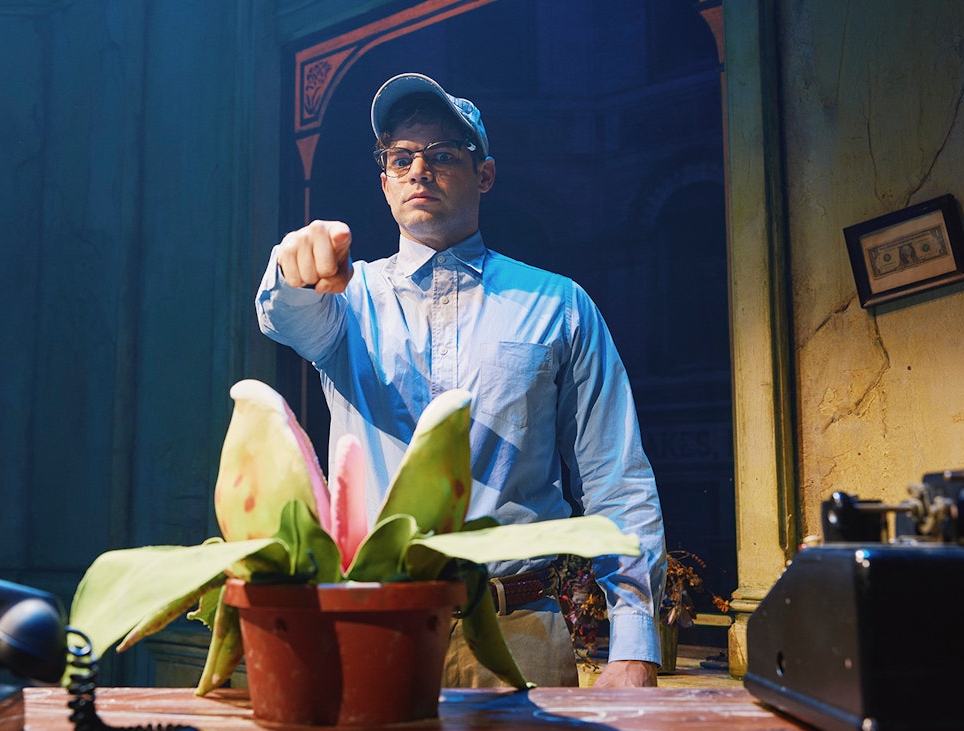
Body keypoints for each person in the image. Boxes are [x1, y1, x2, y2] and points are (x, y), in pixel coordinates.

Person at [255, 72, 666, 688]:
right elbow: (284, 315)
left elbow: (615, 477)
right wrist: (292, 266)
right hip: (372, 630)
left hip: (519, 631)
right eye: (401, 158)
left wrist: (633, 644)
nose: (420, 170)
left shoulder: (559, 305)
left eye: (444, 154)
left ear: (485, 174)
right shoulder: (347, 298)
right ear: (385, 180)